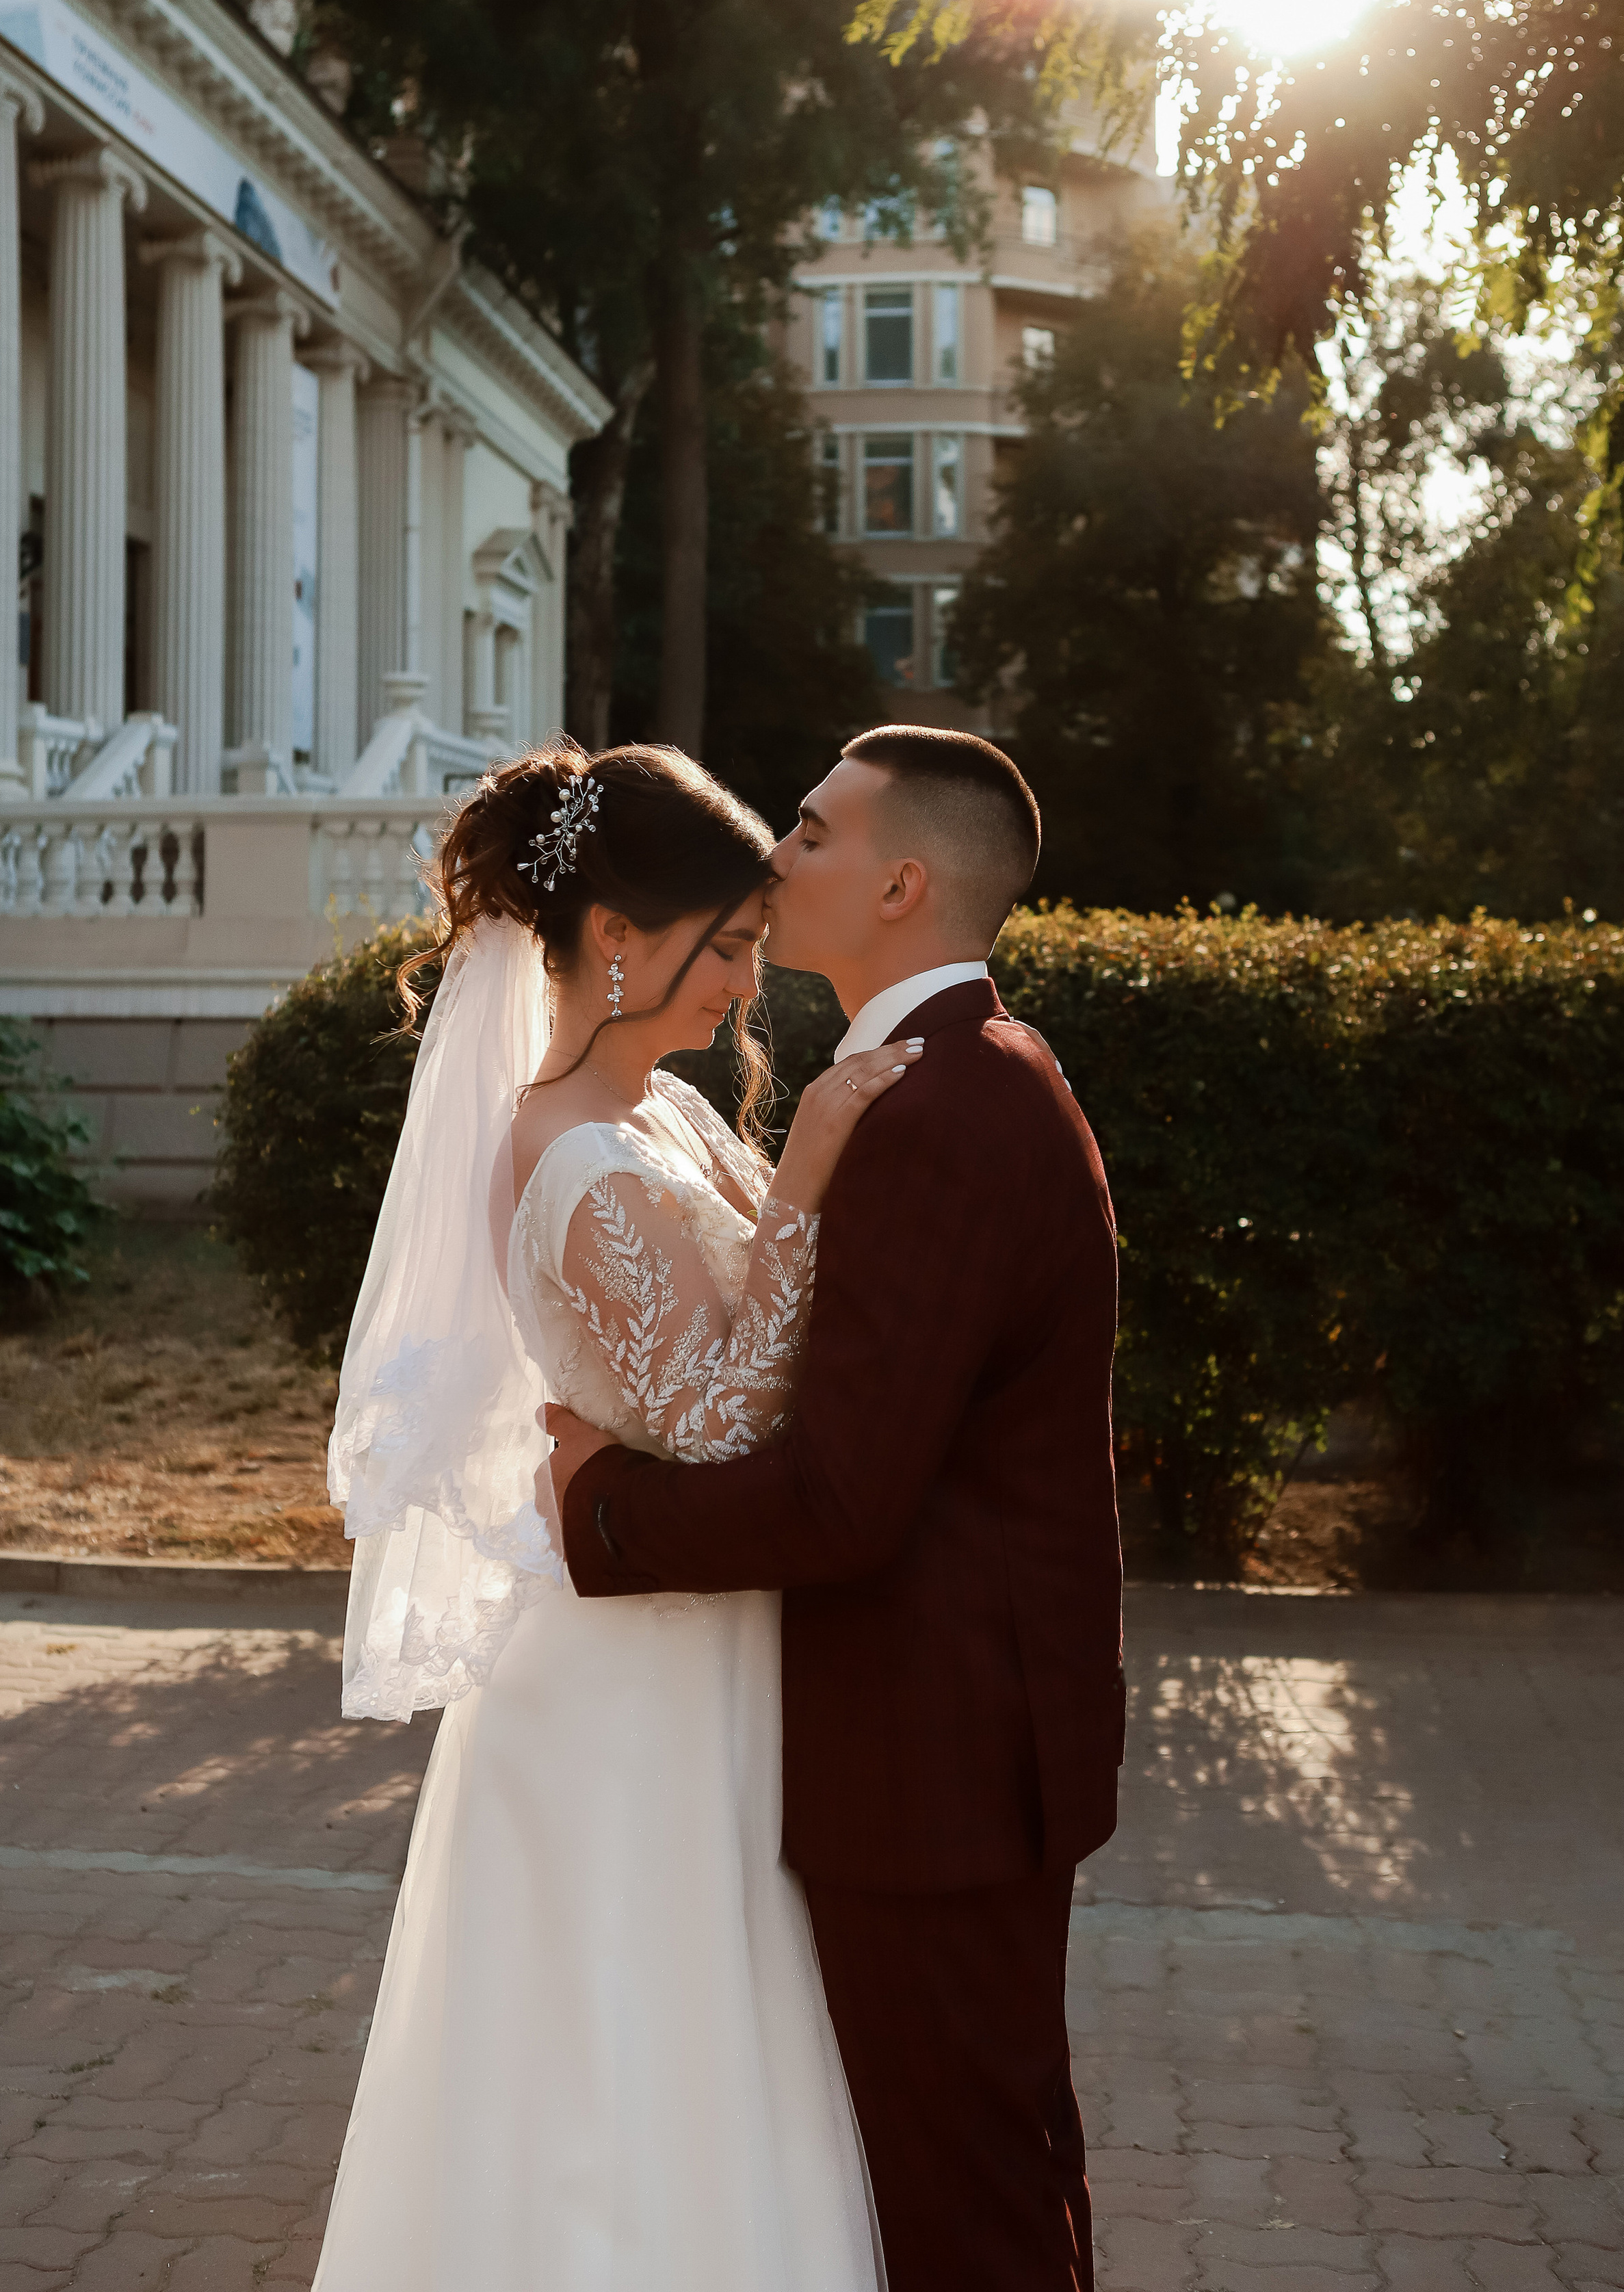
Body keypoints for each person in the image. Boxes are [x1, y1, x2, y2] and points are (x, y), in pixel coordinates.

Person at [313, 741, 916, 2292]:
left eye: (751, 946)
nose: (744, 982)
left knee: (694, 2034)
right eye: (723, 946)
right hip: (615, 1687)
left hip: (696, 1648)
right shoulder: (570, 1148)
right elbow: (714, 1417)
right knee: (611, 2053)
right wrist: (819, 1171)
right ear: (613, 941)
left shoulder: (668, 1122)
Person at [544, 725, 1124, 2292]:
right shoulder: (953, 1076)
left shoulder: (937, 1113)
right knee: (983, 2166)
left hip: (935, 1757)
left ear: (901, 882)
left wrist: (598, 1516)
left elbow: (846, 1500)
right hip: (958, 1737)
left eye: (808, 832)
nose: (775, 855)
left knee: (961, 2204)